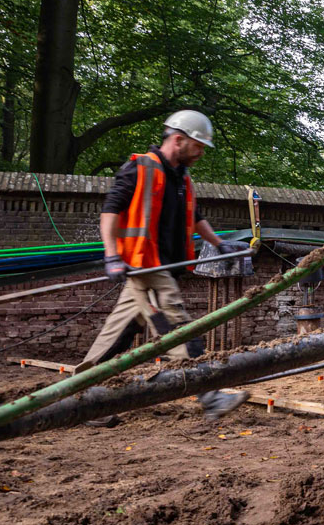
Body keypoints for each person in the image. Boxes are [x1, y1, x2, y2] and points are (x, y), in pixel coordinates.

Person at [74, 110, 248, 424]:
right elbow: (110, 212)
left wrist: (220, 244)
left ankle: (79, 397)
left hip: (163, 268)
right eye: (198, 145)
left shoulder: (181, 178)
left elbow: (196, 217)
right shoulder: (138, 168)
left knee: (118, 335)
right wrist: (112, 256)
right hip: (144, 266)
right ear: (178, 139)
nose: (201, 152)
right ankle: (210, 396)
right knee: (179, 328)